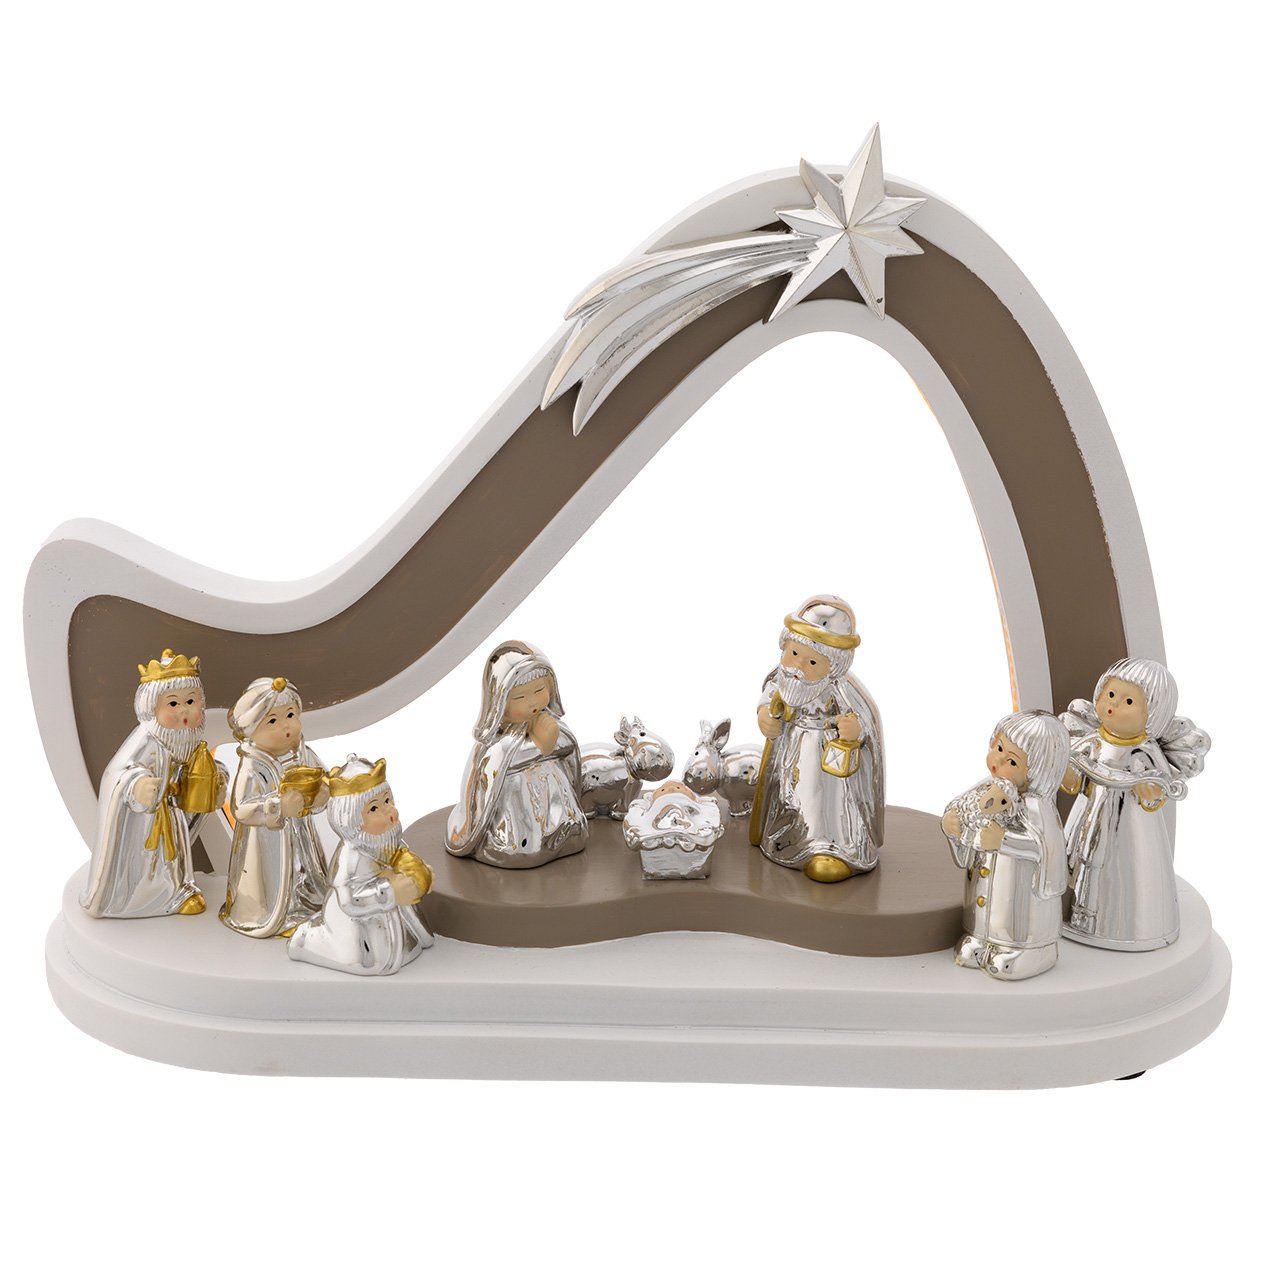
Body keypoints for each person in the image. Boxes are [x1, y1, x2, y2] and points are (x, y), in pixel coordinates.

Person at [1060, 657, 1210, 950]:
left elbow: (1160, 785)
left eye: (1128, 701)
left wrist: (1148, 789)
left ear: (1152, 714)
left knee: (1122, 865)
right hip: (1088, 814)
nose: (1113, 705)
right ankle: (1072, 911)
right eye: (1110, 694)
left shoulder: (1145, 749)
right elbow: (1073, 778)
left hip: (1130, 825)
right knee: (1080, 857)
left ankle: (1124, 919)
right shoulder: (1093, 740)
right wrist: (1067, 771)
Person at [82, 648, 226, 918]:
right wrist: (136, 786)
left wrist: (215, 778)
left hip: (170, 813)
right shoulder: (146, 740)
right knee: (148, 860)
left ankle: (177, 891)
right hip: (145, 818)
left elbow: (194, 771)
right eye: (173, 704)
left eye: (191, 701)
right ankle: (137, 900)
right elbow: (117, 773)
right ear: (152, 708)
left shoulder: (186, 741)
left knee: (171, 860)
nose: (184, 710)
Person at [750, 596, 884, 882]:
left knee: (822, 804)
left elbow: (863, 721)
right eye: (793, 653)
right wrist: (764, 715)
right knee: (790, 797)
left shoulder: (841, 690)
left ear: (832, 667)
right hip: (791, 751)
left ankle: (828, 848)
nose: (798, 666)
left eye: (812, 661)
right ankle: (785, 839)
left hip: (826, 762)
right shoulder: (782, 679)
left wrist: (855, 730)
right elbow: (769, 698)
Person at [942, 711, 1070, 980]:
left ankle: (1034, 949)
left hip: (1023, 901)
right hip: (985, 899)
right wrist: (954, 827)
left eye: (1011, 760)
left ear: (1036, 770)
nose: (997, 761)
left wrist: (1004, 840)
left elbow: (1046, 849)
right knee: (979, 931)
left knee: (1012, 929)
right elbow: (968, 815)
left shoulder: (1037, 806)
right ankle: (981, 938)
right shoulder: (988, 788)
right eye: (998, 748)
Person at [446, 640, 588, 868]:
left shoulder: (550, 723)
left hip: (553, 795)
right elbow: (497, 766)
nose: (532, 702)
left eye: (539, 691)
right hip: (516, 802)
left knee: (570, 826)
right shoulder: (496, 745)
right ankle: (523, 839)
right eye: (520, 697)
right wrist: (541, 745)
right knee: (525, 842)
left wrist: (551, 738)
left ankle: (563, 829)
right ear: (500, 701)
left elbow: (568, 747)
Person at [287, 756, 433, 976]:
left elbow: (403, 860)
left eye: (388, 801)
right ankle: (305, 940)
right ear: (351, 820)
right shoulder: (351, 857)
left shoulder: (385, 840)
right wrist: (390, 891)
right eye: (374, 809)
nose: (390, 812)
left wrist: (419, 874)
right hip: (357, 922)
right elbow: (349, 899)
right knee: (369, 962)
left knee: (412, 941)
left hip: (392, 914)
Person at [221, 676, 329, 938]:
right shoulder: (252, 765)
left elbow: (325, 780)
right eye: (272, 721)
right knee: (273, 880)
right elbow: (241, 808)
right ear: (252, 729)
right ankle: (276, 916)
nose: (286, 726)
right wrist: (278, 806)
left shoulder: (303, 753)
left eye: (290, 715)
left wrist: (321, 793)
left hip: (301, 835)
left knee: (306, 872)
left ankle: (306, 906)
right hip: (265, 843)